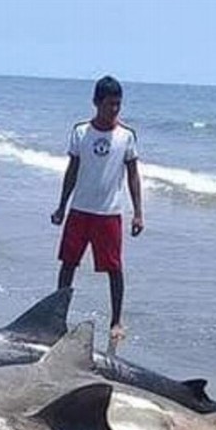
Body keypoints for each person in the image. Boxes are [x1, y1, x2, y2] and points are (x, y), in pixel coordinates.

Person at [51, 75, 143, 341]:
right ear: (96, 103)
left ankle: (116, 321)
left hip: (109, 213)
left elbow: (133, 175)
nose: (114, 110)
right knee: (68, 264)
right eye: (109, 104)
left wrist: (138, 213)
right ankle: (57, 316)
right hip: (80, 210)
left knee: (114, 269)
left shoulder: (126, 136)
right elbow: (72, 170)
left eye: (118, 104)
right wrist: (61, 206)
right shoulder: (81, 131)